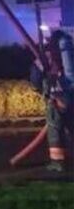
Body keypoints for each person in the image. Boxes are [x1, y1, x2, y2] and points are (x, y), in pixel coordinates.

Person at [31, 30, 72, 173]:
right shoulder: (70, 54)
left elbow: (35, 78)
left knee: (55, 129)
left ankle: (58, 162)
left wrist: (42, 90)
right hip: (72, 96)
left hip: (56, 97)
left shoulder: (45, 58)